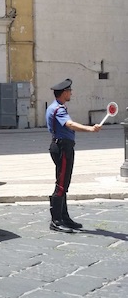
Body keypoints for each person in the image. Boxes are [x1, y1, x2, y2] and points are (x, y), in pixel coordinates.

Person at [46, 78, 101, 233]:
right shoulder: (59, 109)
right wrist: (89, 129)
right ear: (64, 93)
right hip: (63, 147)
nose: (71, 93)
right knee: (62, 184)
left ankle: (64, 217)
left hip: (61, 146)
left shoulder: (55, 107)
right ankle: (56, 221)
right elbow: (69, 124)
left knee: (64, 182)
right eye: (69, 91)